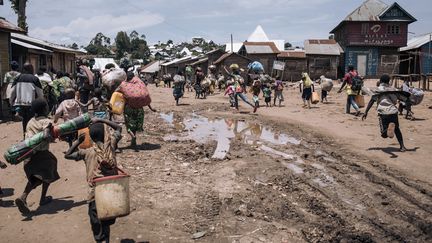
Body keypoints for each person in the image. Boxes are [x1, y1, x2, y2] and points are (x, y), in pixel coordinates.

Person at [64, 118, 122, 243]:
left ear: (90, 137)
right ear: (105, 134)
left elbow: (67, 155)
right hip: (111, 191)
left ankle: (100, 240)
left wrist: (77, 142)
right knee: (106, 219)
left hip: (94, 194)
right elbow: (119, 128)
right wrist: (102, 119)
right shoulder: (111, 145)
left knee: (96, 222)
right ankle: (106, 239)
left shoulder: (87, 152)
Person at [15, 98, 60, 215]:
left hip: (28, 155)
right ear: (45, 109)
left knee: (36, 178)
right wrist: (50, 136)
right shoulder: (46, 121)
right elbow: (46, 135)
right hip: (42, 155)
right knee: (48, 173)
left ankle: (27, 197)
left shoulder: (30, 121)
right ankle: (36, 197)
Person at [362, 74, 410, 152]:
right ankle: (402, 147)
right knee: (397, 129)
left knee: (384, 134)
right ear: (389, 81)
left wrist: (366, 112)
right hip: (393, 112)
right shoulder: (393, 90)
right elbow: (405, 99)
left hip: (383, 113)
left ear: (380, 81)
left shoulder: (378, 90)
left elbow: (371, 101)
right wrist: (410, 104)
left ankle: (387, 129)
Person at [10, 63, 44, 137]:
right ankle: (30, 136)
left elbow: (12, 92)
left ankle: (25, 135)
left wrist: (11, 102)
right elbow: (40, 93)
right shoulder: (34, 79)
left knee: (24, 120)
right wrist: (41, 102)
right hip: (31, 104)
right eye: (32, 68)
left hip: (20, 104)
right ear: (30, 69)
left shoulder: (17, 78)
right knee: (32, 121)